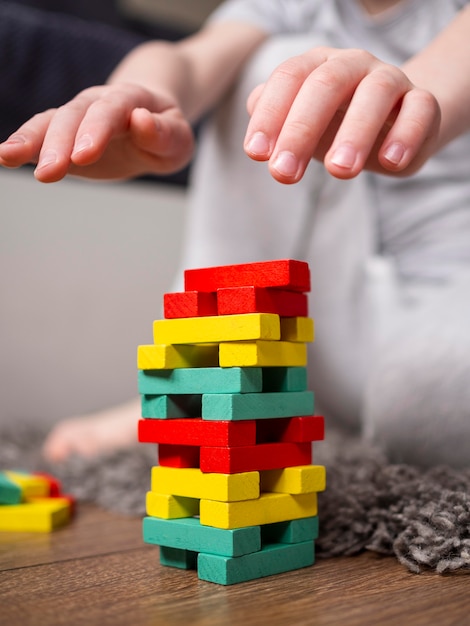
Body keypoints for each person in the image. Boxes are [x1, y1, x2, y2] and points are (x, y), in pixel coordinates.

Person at [1, 0, 469, 467]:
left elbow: (442, 84)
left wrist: (401, 102)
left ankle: (305, 411)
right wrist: (130, 96)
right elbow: (187, 59)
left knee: (421, 412)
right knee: (274, 67)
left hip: (445, 312)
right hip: (344, 325)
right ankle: (208, 372)